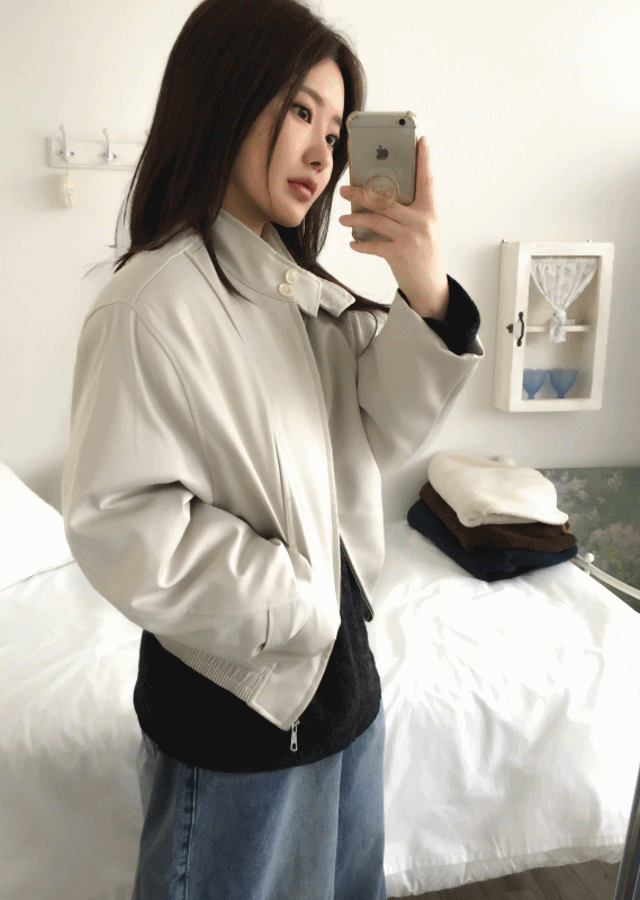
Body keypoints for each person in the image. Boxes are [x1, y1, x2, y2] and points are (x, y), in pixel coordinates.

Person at [61, 0, 484, 897]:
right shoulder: (150, 304)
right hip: (240, 717)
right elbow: (119, 524)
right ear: (224, 93)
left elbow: (386, 427)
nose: (324, 155)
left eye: (335, 131)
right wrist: (297, 599)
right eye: (300, 111)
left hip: (344, 695)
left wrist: (425, 290)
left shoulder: (298, 292)